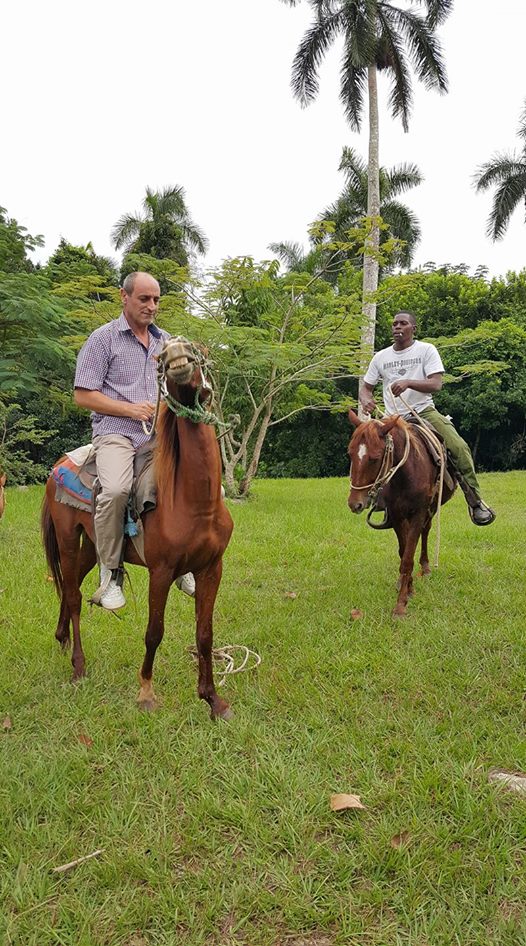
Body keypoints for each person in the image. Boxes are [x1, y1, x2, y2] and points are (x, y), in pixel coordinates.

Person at [74, 270, 196, 609]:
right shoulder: (103, 339)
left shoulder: (165, 342)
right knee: (115, 490)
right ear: (123, 297)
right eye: (144, 298)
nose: (152, 306)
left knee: (195, 484)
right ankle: (110, 573)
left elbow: (176, 392)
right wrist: (130, 410)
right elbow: (83, 395)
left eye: (156, 299)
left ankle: (184, 563)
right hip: (116, 434)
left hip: (158, 436)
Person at [360, 310, 495, 526]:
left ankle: (476, 502)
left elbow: (436, 384)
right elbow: (366, 388)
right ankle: (377, 500)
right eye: (394, 324)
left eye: (403, 323)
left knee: (458, 447)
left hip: (423, 412)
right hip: (391, 418)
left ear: (414, 328)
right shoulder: (381, 357)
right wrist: (366, 400)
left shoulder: (426, 350)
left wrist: (408, 383)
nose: (397, 327)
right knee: (367, 450)